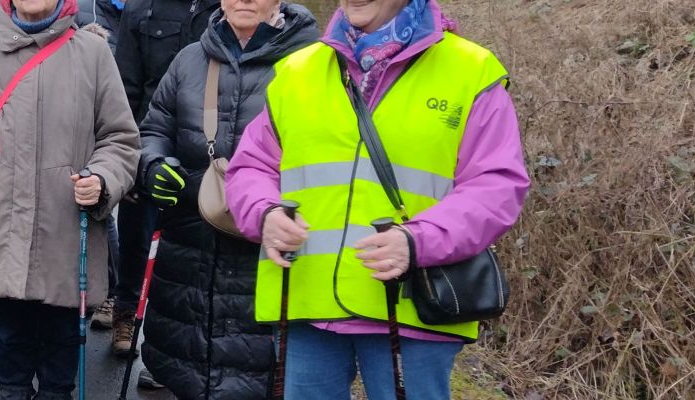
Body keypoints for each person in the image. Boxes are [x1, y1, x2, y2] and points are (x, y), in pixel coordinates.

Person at [224, 0, 529, 398]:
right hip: (306, 304)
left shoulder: (472, 71)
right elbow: (251, 168)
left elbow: (497, 185)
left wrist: (419, 241)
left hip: (412, 307)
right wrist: (264, 212)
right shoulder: (297, 71)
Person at [0, 0, 139, 396]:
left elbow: (120, 139)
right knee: (10, 364)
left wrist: (102, 179)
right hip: (0, 240)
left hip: (67, 239)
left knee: (60, 372)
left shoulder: (92, 52)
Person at [132, 0, 318, 398]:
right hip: (189, 249)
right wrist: (153, 164)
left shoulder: (313, 63)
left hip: (270, 254)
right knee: (187, 373)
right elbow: (155, 128)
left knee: (255, 380)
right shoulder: (189, 60)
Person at [95, 0, 220, 361]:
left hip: (205, 151)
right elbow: (127, 88)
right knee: (135, 238)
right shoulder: (140, 8)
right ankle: (126, 313)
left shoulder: (227, 8)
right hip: (148, 143)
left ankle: (179, 343)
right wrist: (129, 162)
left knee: (189, 254)